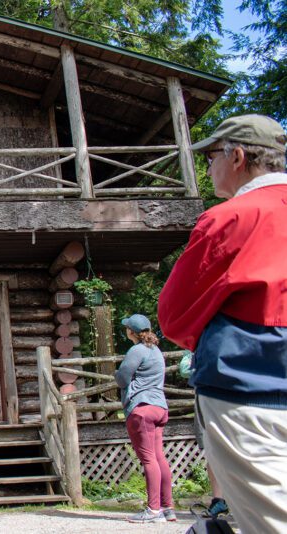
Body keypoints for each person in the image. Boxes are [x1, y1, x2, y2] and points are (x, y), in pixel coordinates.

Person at [158, 114, 287, 534]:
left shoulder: (230, 218)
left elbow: (174, 315)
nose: (206, 167)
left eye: (211, 156)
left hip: (249, 390)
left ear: (238, 156)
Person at [114, 313, 174, 523]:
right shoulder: (155, 350)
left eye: (127, 328)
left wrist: (116, 374)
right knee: (159, 458)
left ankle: (153, 510)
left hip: (142, 408)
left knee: (148, 459)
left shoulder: (136, 350)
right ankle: (168, 507)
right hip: (159, 407)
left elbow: (122, 379)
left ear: (131, 332)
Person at [178, 351, 228, 519]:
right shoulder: (198, 343)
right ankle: (218, 500)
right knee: (212, 452)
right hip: (207, 400)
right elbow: (184, 368)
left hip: (234, 400)